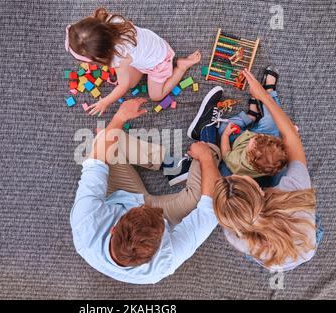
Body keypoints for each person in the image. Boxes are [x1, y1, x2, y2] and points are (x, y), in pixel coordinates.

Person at [70, 98, 221, 284]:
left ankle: (172, 166)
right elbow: (209, 210)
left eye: (140, 210)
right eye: (160, 219)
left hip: (119, 193)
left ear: (113, 229)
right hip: (132, 203)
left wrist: (120, 117)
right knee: (212, 187)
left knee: (99, 142)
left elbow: (94, 163)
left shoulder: (85, 222)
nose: (153, 209)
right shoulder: (164, 263)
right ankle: (208, 136)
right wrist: (205, 156)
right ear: (156, 250)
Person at [211, 68, 322, 271]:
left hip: (289, 251)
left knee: (221, 164)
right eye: (240, 178)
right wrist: (263, 94)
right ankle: (267, 98)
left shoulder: (234, 233)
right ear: (258, 187)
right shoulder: (294, 190)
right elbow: (291, 137)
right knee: (279, 133)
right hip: (301, 238)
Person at [65, 7, 201, 116]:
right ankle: (142, 69)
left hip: (159, 62)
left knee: (156, 96)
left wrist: (105, 102)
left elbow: (122, 86)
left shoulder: (119, 59)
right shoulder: (111, 21)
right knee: (132, 83)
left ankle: (181, 67)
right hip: (147, 48)